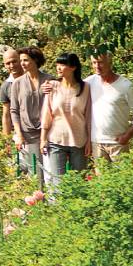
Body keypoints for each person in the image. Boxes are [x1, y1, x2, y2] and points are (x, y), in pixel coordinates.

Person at [41, 53, 92, 191]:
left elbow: (88, 115)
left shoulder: (85, 88)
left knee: (79, 182)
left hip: (79, 140)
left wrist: (89, 141)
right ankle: (59, 211)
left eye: (62, 64)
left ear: (73, 67)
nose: (58, 68)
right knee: (58, 183)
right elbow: (47, 112)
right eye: (57, 64)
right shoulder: (52, 85)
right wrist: (43, 138)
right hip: (56, 139)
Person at [7, 48, 53, 186]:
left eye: (26, 60)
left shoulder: (49, 80)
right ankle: (38, 203)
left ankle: (53, 203)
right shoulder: (18, 83)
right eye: (21, 60)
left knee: (51, 172)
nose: (22, 64)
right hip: (28, 134)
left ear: (36, 60)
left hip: (48, 133)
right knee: (35, 173)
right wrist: (19, 134)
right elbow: (14, 110)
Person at [87, 53, 133, 160]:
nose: (97, 66)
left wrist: (127, 136)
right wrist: (52, 85)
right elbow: (71, 88)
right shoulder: (89, 82)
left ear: (110, 62)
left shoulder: (125, 85)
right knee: (101, 177)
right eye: (94, 63)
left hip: (118, 144)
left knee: (122, 176)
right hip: (97, 143)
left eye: (101, 62)